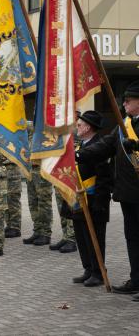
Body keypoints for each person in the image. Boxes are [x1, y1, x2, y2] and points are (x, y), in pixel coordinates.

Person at [77, 80, 139, 298]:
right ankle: (136, 279)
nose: (124, 104)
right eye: (124, 101)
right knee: (132, 237)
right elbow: (105, 146)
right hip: (128, 193)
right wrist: (78, 154)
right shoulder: (124, 124)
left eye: (129, 101)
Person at [70, 111, 112, 287]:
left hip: (94, 200)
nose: (77, 127)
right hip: (80, 199)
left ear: (87, 127)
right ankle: (88, 268)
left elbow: (104, 177)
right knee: (81, 236)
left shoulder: (100, 145)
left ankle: (98, 272)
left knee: (95, 236)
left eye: (79, 125)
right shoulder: (80, 145)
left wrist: (100, 203)